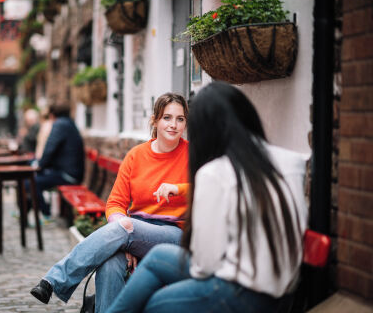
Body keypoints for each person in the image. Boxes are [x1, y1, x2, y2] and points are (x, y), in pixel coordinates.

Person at [106, 81, 309, 313]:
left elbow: (205, 264)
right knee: (158, 256)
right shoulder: (291, 162)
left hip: (243, 293)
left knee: (154, 304)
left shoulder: (214, 173)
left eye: (182, 120)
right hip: (285, 290)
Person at [30, 93, 190, 313]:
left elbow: (208, 187)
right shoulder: (136, 156)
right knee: (109, 264)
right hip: (133, 230)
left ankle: (55, 280)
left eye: (180, 119)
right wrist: (122, 231)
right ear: (155, 120)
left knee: (127, 229)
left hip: (174, 233)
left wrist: (178, 188)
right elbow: (115, 202)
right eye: (167, 118)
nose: (173, 125)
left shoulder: (193, 154)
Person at [28, 104, 85, 220]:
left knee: (30, 182)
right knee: (31, 178)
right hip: (70, 172)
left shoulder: (60, 125)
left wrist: (39, 165)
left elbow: (50, 148)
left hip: (68, 175)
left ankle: (46, 214)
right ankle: (31, 212)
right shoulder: (69, 123)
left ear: (52, 115)